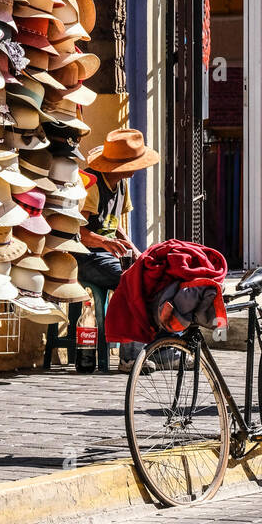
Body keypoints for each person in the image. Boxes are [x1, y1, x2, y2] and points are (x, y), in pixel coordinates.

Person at [80, 127, 159, 372]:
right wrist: (104, 243)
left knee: (151, 277)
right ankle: (130, 357)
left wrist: (135, 250)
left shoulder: (122, 186)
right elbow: (77, 232)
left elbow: (117, 227)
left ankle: (159, 348)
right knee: (131, 282)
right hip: (87, 256)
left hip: (109, 254)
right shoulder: (93, 185)